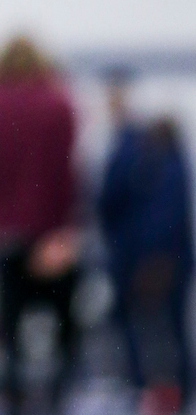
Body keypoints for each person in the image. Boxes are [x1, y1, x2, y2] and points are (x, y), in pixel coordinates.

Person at [0, 36, 81, 414]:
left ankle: (13, 405)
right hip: (52, 237)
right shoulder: (59, 103)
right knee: (65, 331)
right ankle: (58, 402)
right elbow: (68, 174)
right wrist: (64, 230)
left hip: (3, 238)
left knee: (10, 338)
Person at [98, 110, 194, 414]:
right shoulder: (171, 163)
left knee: (138, 329)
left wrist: (150, 257)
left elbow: (108, 205)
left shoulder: (138, 159)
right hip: (164, 258)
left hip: (144, 258)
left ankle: (147, 390)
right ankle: (171, 391)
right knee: (170, 331)